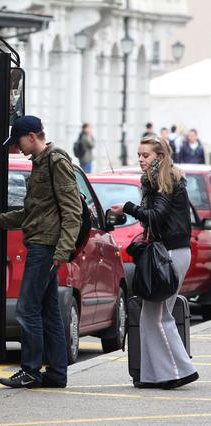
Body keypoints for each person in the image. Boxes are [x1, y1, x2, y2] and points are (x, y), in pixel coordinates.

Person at [0, 115, 82, 389]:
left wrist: (63, 250)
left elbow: (73, 211)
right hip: (42, 245)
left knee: (26, 309)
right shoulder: (40, 163)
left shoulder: (56, 161)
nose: (17, 147)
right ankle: (56, 373)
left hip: (45, 248)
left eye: (19, 141)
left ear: (33, 136)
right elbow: (33, 212)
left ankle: (31, 370)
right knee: (49, 312)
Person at [110, 136, 199, 389]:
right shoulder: (157, 179)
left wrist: (128, 208)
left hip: (170, 254)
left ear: (159, 156)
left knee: (159, 316)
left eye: (146, 155)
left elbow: (157, 215)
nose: (140, 159)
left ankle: (181, 371)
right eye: (139, 154)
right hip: (168, 253)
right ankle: (152, 375)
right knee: (151, 316)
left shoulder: (165, 179)